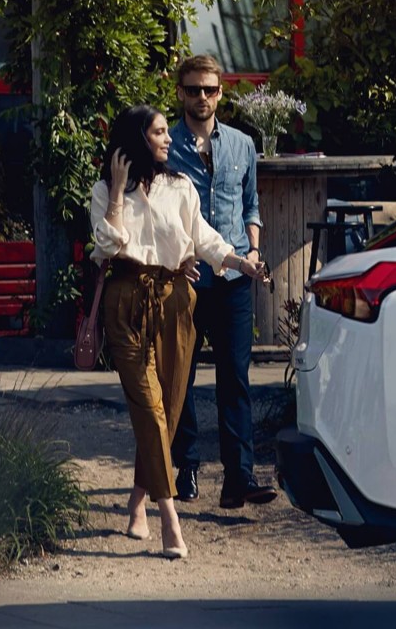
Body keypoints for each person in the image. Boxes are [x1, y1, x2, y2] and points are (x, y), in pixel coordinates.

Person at [89, 104, 267, 559]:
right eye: (160, 132)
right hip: (126, 301)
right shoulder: (106, 190)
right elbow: (106, 245)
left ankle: (136, 502)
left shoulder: (180, 186)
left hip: (174, 301)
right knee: (149, 407)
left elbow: (203, 238)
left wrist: (238, 260)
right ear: (138, 140)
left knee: (165, 409)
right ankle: (170, 520)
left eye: (168, 132)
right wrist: (116, 195)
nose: (169, 140)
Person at [166, 55, 278, 509]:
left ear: (220, 93)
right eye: (193, 89)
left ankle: (240, 477)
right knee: (182, 377)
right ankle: (187, 467)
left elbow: (251, 204)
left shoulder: (242, 144)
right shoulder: (165, 144)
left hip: (233, 274)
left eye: (209, 90)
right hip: (188, 276)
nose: (201, 98)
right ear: (180, 93)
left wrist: (252, 250)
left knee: (235, 377)